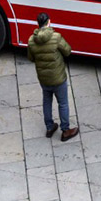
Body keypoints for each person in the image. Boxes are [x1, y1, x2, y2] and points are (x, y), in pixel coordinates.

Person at [28, 13, 78, 141]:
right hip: (58, 77)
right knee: (63, 103)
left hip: (43, 78)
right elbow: (67, 51)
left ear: (38, 24)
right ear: (49, 22)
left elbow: (30, 58)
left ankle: (49, 127)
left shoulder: (31, 41)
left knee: (46, 101)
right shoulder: (56, 37)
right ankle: (66, 130)